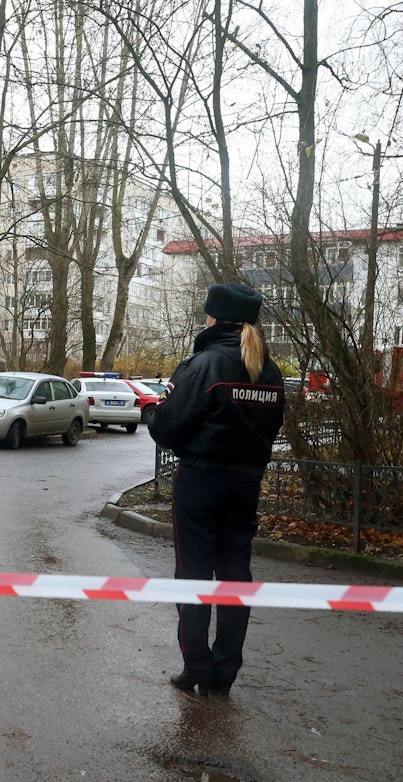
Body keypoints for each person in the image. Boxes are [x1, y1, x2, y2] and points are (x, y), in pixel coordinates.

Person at [148, 282, 285, 696]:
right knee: (234, 577)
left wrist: (157, 411)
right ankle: (225, 672)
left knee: (192, 575)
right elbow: (273, 427)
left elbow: (166, 427)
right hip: (246, 484)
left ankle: (196, 667)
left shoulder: (203, 364)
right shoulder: (271, 371)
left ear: (214, 317)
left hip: (200, 483)